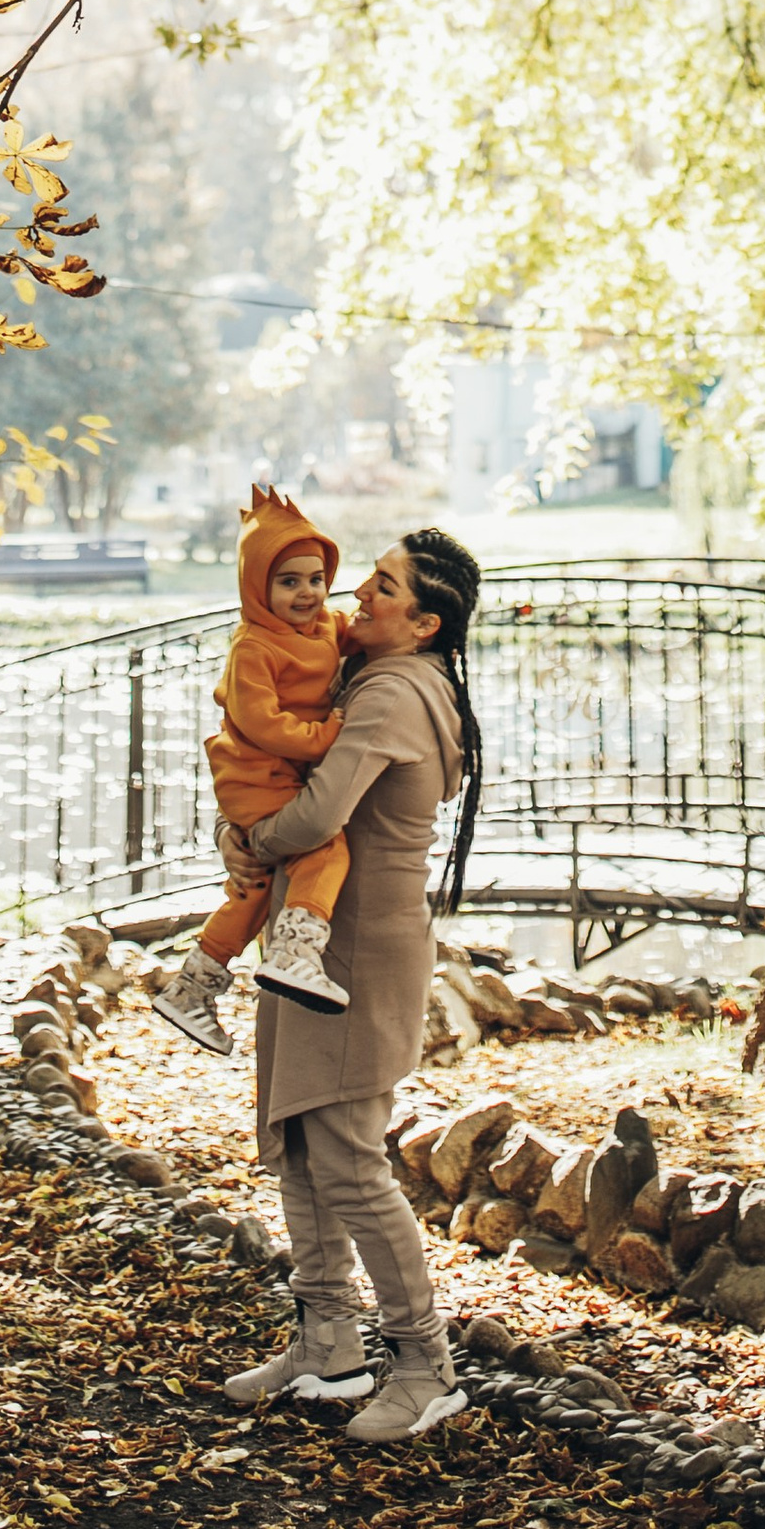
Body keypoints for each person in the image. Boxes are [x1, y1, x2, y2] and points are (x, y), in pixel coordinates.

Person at [219, 525, 485, 1448]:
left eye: (382, 586)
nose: (358, 596)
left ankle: (425, 1365)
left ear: (423, 622)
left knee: (348, 1159)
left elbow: (321, 813)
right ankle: (329, 1341)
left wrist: (250, 840)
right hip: (316, 936)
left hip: (358, 952)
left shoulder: (394, 695)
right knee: (299, 1141)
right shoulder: (383, 680)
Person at [153, 486, 353, 1051]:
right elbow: (262, 723)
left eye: (316, 578)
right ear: (257, 587)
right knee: (325, 847)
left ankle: (191, 989)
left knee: (253, 891)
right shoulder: (254, 647)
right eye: (289, 582)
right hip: (254, 778)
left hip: (276, 778)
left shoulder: (323, 630)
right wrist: (326, 735)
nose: (307, 593)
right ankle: (295, 951)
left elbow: (354, 630)